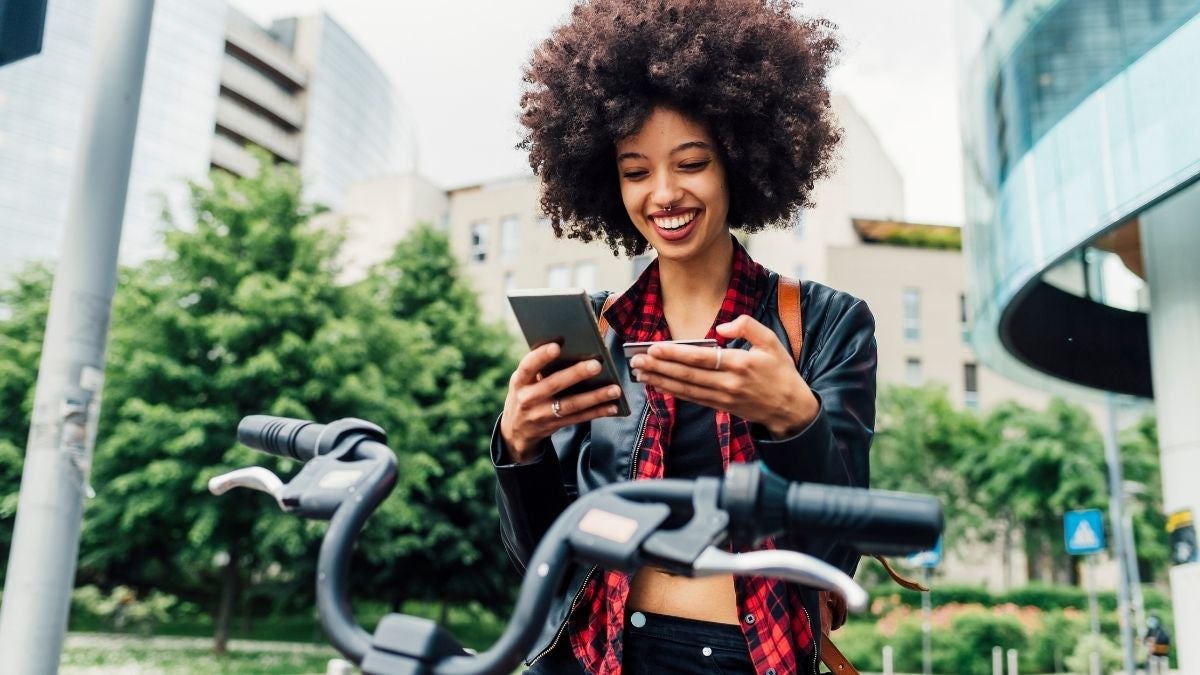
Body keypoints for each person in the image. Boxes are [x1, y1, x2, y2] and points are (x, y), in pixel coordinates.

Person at [491, 1, 877, 673]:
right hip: (591, 657)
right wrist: (520, 448)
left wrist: (795, 419)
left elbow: (836, 555)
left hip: (742, 657)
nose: (663, 193)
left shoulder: (828, 323)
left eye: (691, 163)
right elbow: (542, 561)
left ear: (738, 160)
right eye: (636, 171)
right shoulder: (595, 328)